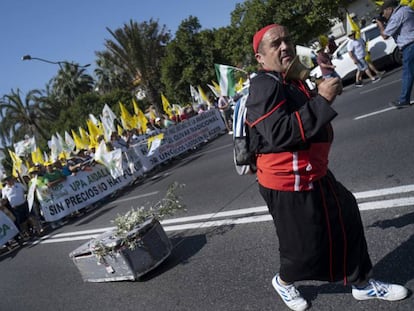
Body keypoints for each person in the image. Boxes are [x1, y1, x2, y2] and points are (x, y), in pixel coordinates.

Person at [246, 24, 408, 311]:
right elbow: (280, 133)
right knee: (302, 249)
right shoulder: (264, 85)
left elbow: (310, 109)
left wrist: (325, 87)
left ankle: (362, 284)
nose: (285, 46)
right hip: (287, 182)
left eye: (287, 39)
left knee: (346, 215)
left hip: (313, 172)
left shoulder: (289, 79)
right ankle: (284, 283)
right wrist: (323, 100)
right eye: (275, 44)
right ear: (260, 58)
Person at [377, 0, 414, 108]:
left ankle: (403, 100)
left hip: (410, 46)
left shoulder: (397, 15)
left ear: (390, 9)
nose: (384, 15)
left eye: (384, 12)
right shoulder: (407, 9)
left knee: (408, 74)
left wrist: (380, 24)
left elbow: (385, 35)